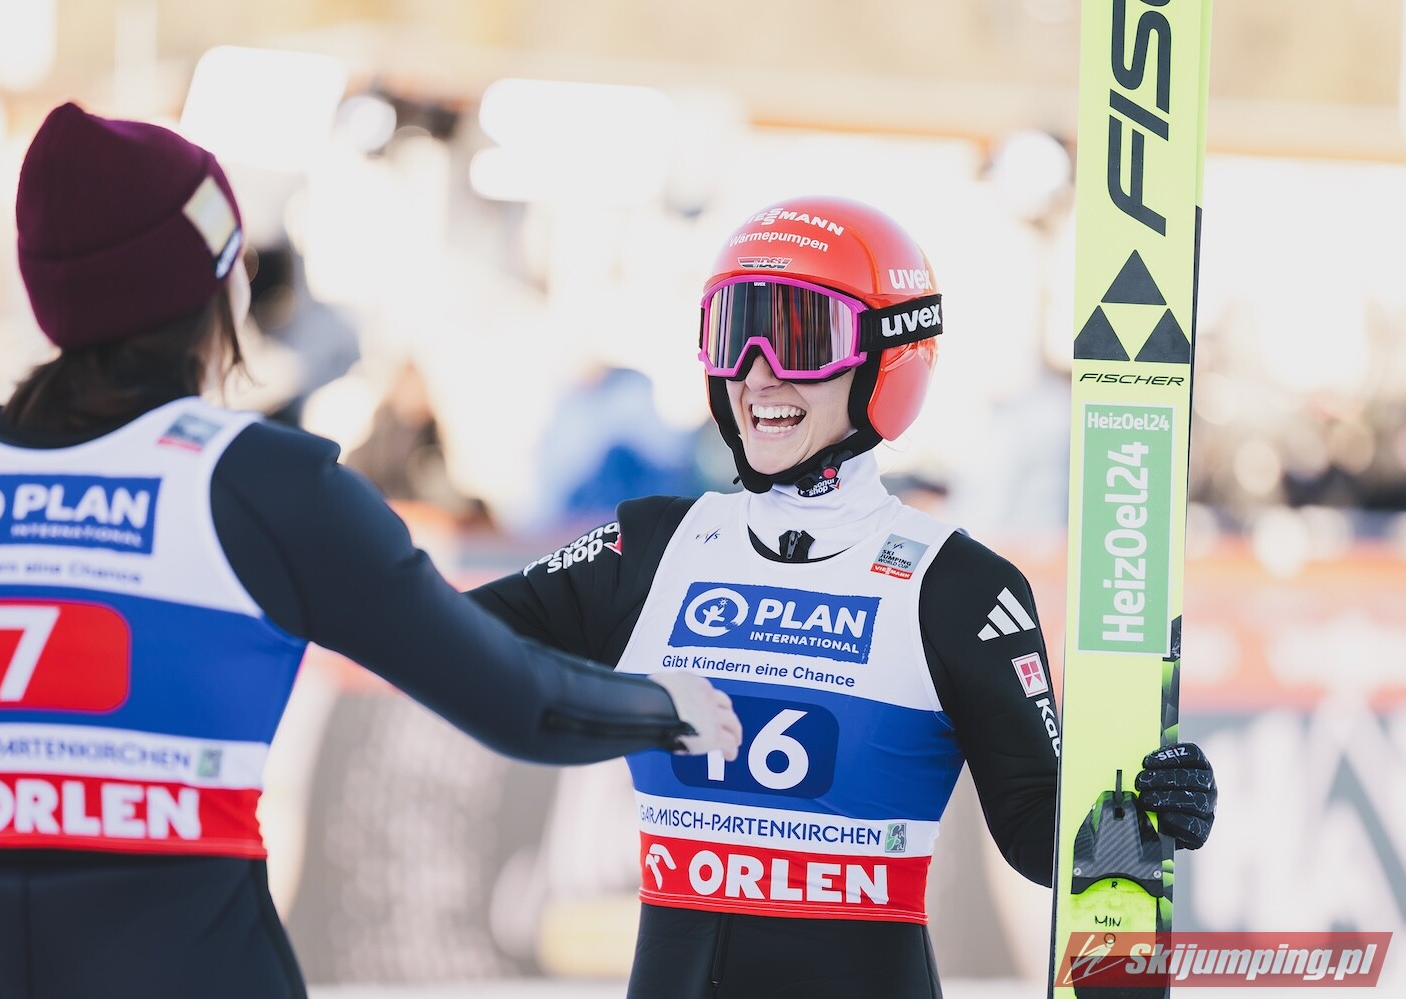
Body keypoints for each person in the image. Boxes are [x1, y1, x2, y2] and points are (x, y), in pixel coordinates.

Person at [0, 103, 740, 999]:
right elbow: (513, 698)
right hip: (185, 966)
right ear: (217, 288)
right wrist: (666, 704)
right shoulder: (258, 482)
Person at [470, 196, 1218, 998]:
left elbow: (1042, 835)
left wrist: (1150, 821)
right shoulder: (654, 547)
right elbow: (446, 637)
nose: (757, 371)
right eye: (734, 333)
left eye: (798, 337)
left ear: (885, 359)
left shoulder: (959, 588)